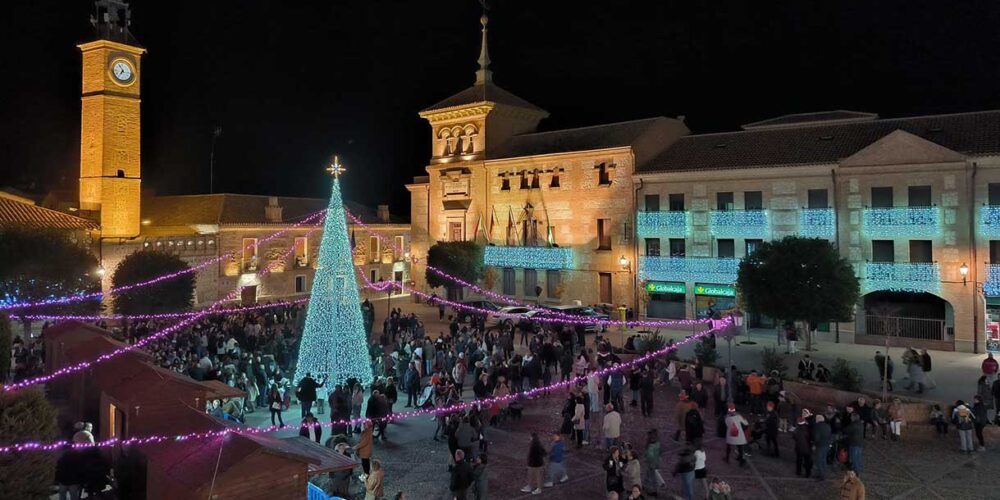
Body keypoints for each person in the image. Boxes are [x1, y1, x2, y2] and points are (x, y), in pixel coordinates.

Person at [642, 429, 663, 496]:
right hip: (656, 461)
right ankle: (644, 485)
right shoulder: (658, 442)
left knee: (653, 477)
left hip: (651, 464)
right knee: (648, 474)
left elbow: (649, 456)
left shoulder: (651, 446)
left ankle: (655, 491)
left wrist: (646, 459)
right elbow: (660, 452)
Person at [793, 409, 813, 477]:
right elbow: (810, 437)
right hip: (806, 448)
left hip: (799, 448)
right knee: (807, 461)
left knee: (799, 460)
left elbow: (794, 437)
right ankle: (808, 473)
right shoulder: (807, 429)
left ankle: (798, 471)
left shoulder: (796, 430)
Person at [813, 414, 832, 480]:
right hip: (827, 445)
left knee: (819, 461)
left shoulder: (817, 426)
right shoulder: (828, 426)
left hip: (820, 446)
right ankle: (824, 473)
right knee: (824, 460)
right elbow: (830, 436)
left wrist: (814, 444)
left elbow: (816, 437)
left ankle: (821, 475)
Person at [845, 413, 864, 477]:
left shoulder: (853, 424)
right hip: (860, 443)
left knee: (854, 458)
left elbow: (846, 430)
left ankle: (856, 472)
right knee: (858, 457)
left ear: (854, 418)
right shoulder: (861, 424)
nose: (851, 418)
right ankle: (858, 469)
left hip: (854, 443)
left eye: (851, 417)